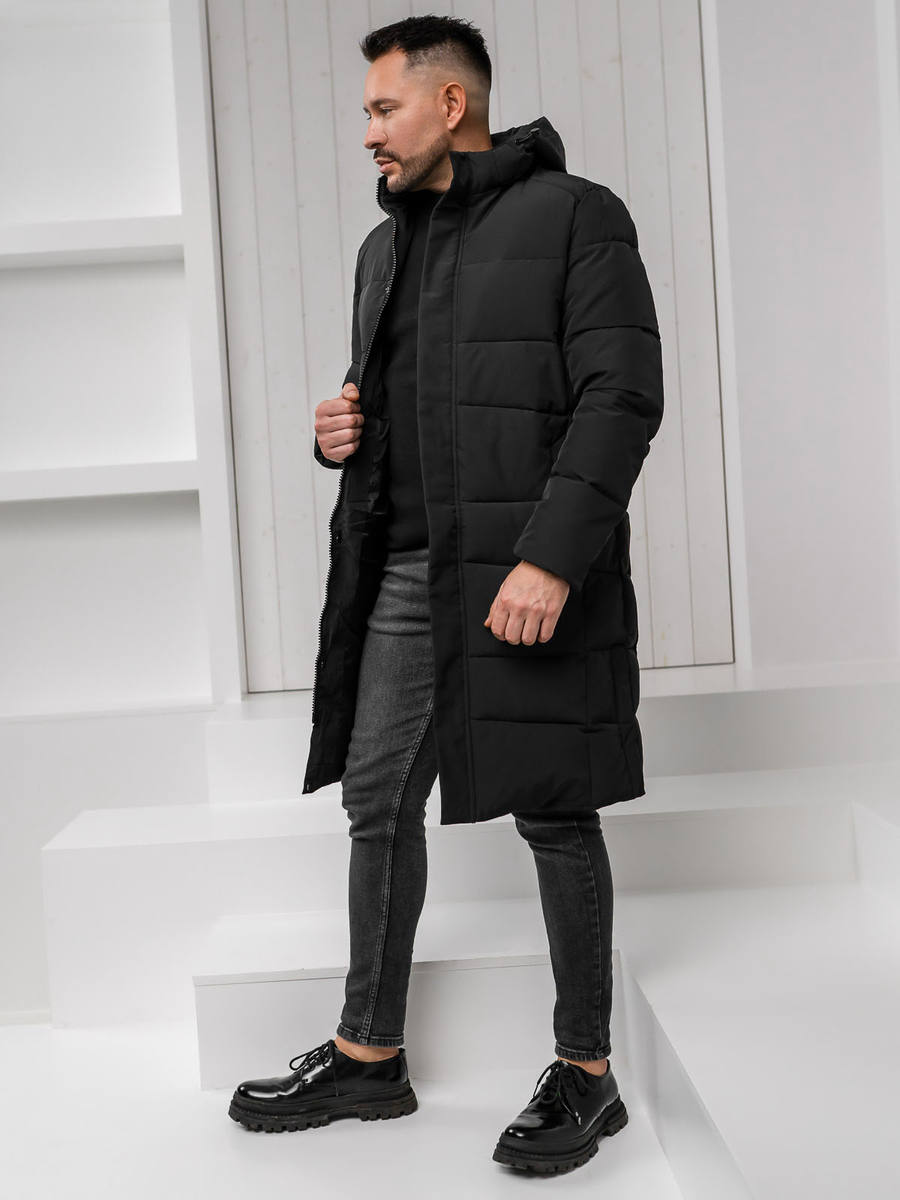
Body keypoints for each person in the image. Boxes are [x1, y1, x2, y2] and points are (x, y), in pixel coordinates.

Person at [229, 13, 662, 1176]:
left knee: (553, 806)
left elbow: (621, 395)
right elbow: (408, 407)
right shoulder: (386, 248)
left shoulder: (575, 216)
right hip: (410, 570)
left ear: (450, 104)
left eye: (383, 107)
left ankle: (587, 1074)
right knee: (376, 799)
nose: (368, 131)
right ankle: (368, 1054)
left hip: (522, 566)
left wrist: (553, 557)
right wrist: (341, 432)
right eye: (368, 112)